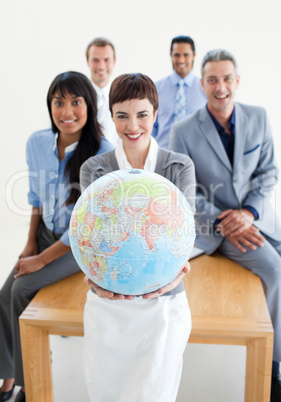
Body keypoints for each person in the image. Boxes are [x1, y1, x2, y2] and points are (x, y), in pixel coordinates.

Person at [170, 49, 281, 402]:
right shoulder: (183, 131)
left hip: (258, 218)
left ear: (237, 81)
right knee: (275, 271)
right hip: (215, 229)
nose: (221, 87)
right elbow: (183, 190)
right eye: (213, 80)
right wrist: (228, 220)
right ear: (202, 84)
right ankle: (274, 368)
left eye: (227, 78)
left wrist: (248, 212)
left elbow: (268, 173)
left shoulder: (259, 117)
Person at [80, 73, 196, 402]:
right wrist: (93, 279)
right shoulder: (95, 169)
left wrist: (174, 275)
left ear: (156, 114)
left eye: (142, 114)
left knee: (154, 393)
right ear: (111, 116)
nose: (133, 125)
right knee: (105, 391)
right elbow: (87, 235)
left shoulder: (178, 166)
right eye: (122, 115)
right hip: (108, 304)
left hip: (163, 300)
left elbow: (184, 234)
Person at [0, 71, 114, 402]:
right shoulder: (37, 142)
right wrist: (30, 242)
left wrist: (41, 260)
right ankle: (6, 376)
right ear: (49, 106)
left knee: (21, 290)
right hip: (47, 235)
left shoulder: (103, 153)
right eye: (58, 102)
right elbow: (36, 198)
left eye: (76, 102)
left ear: (89, 106)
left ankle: (29, 380)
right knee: (2, 297)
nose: (67, 111)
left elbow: (87, 227)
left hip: (80, 245)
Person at [151, 35, 206, 149]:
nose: (181, 60)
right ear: (171, 55)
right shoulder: (156, 88)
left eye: (186, 55)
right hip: (163, 155)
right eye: (177, 55)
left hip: (195, 155)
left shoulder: (204, 88)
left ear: (194, 55)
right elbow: (150, 125)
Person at [86, 36, 119, 146]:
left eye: (106, 60)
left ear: (114, 61)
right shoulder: (75, 96)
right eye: (95, 60)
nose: (101, 66)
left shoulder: (122, 97)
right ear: (88, 61)